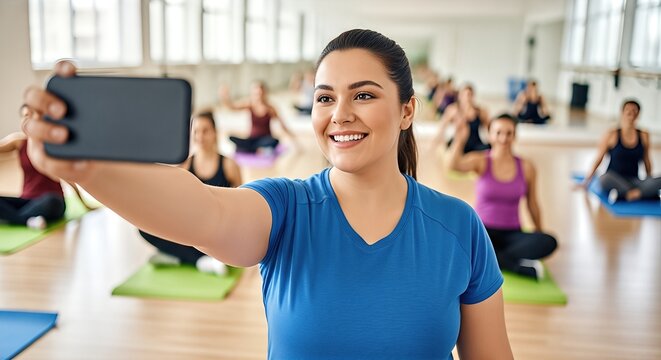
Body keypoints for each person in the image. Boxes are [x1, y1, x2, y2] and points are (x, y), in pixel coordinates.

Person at [23, 30, 513, 359]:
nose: (339, 114)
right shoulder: (286, 209)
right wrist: (86, 169)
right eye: (325, 97)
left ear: (407, 110)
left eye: (363, 94)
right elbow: (205, 212)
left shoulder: (458, 227)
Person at [448, 113, 558, 280]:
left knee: (549, 242)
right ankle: (517, 267)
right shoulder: (481, 160)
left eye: (509, 133)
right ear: (491, 135)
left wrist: (538, 234)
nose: (503, 138)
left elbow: (532, 203)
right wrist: (460, 138)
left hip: (513, 235)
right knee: (463, 240)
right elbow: (453, 166)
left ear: (515, 135)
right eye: (498, 132)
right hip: (483, 231)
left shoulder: (527, 167)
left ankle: (489, 258)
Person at [139, 112, 242, 275]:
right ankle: (199, 260)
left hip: (218, 229)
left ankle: (177, 256)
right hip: (193, 227)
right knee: (144, 228)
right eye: (196, 131)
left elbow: (240, 204)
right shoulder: (186, 164)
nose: (200, 136)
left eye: (205, 131)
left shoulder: (229, 165)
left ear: (215, 133)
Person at [0, 104, 92, 229]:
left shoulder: (52, 144)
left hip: (51, 201)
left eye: (33, 116)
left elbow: (67, 176)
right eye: (26, 116)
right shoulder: (18, 141)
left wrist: (84, 204)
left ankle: (13, 218)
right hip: (27, 201)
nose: (29, 119)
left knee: (52, 201)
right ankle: (28, 220)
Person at [581, 99, 660, 203]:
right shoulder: (611, 134)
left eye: (634, 110)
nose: (631, 113)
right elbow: (599, 158)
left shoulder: (644, 135)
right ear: (622, 113)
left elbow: (646, 160)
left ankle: (631, 194)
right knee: (603, 179)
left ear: (638, 114)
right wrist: (587, 181)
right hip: (614, 179)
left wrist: (649, 181)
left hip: (634, 180)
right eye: (628, 110)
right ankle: (640, 193)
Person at [219, 81, 297, 154]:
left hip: (265, 140)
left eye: (260, 93)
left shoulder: (270, 108)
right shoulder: (250, 105)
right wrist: (225, 98)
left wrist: (293, 138)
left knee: (274, 141)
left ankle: (251, 149)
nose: (258, 96)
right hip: (251, 140)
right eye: (256, 93)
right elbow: (232, 108)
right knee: (231, 138)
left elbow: (282, 125)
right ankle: (255, 149)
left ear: (264, 93)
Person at [432, 84, 490, 153]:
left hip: (475, 144)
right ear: (459, 96)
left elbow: (489, 130)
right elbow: (442, 128)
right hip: (458, 143)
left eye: (469, 95)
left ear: (473, 96)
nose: (467, 97)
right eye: (464, 95)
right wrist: (436, 143)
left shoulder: (480, 112)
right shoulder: (453, 110)